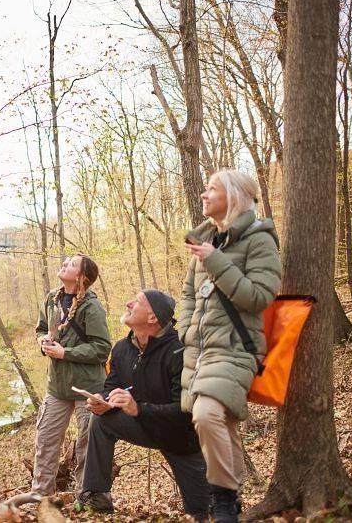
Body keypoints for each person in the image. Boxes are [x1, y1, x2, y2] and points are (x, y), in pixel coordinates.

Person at [180, 171, 281, 522]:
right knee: (223, 421)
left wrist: (215, 260)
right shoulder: (204, 240)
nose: (204, 194)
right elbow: (189, 295)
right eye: (204, 187)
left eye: (212, 189)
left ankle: (222, 499)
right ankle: (232, 501)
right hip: (200, 351)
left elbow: (258, 297)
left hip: (237, 348)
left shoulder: (259, 239)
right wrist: (185, 331)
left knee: (206, 414)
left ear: (234, 196)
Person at [76, 290, 210, 519]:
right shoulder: (121, 349)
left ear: (153, 318)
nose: (128, 302)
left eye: (137, 301)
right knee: (99, 420)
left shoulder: (181, 351)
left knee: (203, 513)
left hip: (183, 440)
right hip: (144, 426)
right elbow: (112, 385)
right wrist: (105, 401)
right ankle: (97, 496)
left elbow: (186, 412)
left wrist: (138, 408)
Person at [32, 254, 112, 495]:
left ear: (82, 277)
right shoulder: (51, 299)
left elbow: (102, 348)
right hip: (57, 385)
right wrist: (43, 342)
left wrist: (65, 352)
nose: (65, 264)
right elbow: (41, 329)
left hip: (87, 386)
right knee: (46, 441)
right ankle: (40, 496)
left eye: (72, 264)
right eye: (65, 261)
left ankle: (86, 496)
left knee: (87, 445)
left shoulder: (92, 306)